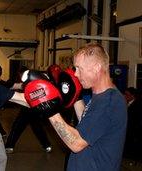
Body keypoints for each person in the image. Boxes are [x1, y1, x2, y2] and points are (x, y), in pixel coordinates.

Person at [23, 43, 127, 171]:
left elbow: (76, 143)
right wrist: (75, 97)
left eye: (79, 68)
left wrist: (50, 111)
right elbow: (90, 126)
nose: (76, 74)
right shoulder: (100, 96)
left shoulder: (109, 102)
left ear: (96, 68)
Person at [5, 67, 52, 154]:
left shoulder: (33, 80)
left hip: (32, 108)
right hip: (27, 107)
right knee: (33, 127)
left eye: (21, 74)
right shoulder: (24, 81)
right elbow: (10, 85)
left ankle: (9, 146)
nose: (20, 76)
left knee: (20, 126)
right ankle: (47, 145)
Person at [123, 87, 142, 161]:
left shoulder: (137, 106)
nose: (125, 96)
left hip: (133, 132)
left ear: (132, 96)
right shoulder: (127, 104)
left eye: (127, 95)